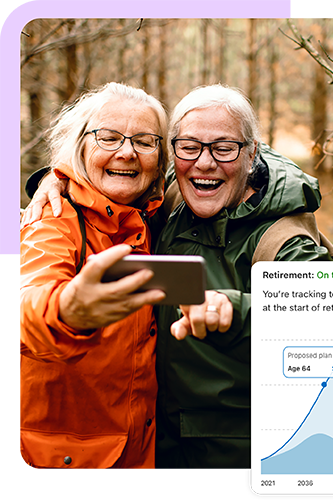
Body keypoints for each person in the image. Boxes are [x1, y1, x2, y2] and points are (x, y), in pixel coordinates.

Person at [23, 84, 333, 469]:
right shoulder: (161, 207)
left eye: (223, 148)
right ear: (173, 155)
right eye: (190, 147)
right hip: (128, 451)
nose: (205, 163)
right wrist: (55, 180)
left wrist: (238, 310)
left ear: (251, 151)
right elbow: (30, 298)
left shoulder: (281, 240)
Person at [20, 82, 169, 469]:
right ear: (80, 146)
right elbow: (29, 299)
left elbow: (233, 149)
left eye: (145, 141)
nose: (127, 152)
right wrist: (68, 312)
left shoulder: (157, 216)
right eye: (109, 137)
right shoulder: (52, 219)